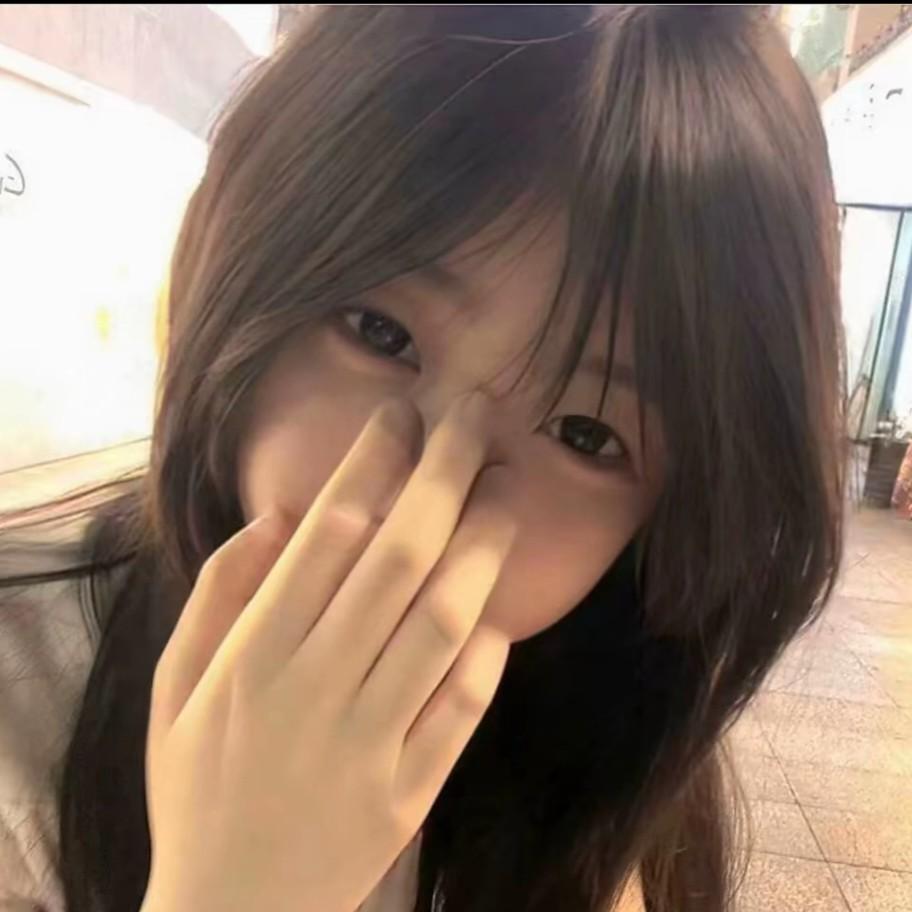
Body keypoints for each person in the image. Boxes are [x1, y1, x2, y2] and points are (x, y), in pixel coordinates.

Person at [0, 6, 844, 912]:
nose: (424, 498)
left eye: (585, 434)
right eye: (379, 332)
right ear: (235, 268)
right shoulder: (25, 700)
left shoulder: (612, 762)